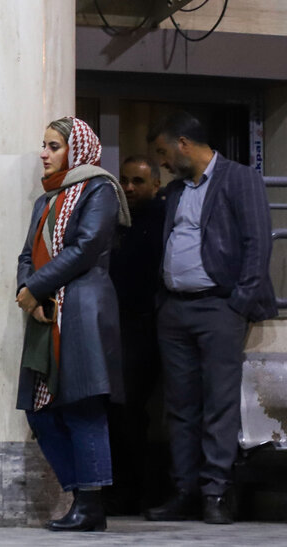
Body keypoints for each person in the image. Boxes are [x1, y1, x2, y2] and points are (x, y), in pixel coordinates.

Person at [145, 111, 276, 525]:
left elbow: (258, 243)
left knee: (219, 404)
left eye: (165, 152)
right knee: (180, 406)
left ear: (184, 144)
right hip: (174, 309)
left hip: (219, 307)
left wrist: (238, 302)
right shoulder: (177, 190)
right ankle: (184, 490)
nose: (162, 162)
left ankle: (215, 493)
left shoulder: (240, 179)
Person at [15, 117, 130, 532]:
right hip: (46, 312)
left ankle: (91, 504)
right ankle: (79, 492)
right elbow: (26, 254)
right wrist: (27, 292)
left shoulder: (100, 189)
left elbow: (85, 248)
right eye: (43, 145)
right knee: (40, 412)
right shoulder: (45, 200)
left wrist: (38, 288)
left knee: (83, 407)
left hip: (82, 308)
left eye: (53, 146)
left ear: (76, 150)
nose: (43, 154)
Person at [105, 156, 165, 515]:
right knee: (114, 409)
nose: (129, 188)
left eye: (138, 182)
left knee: (129, 410)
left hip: (144, 326)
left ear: (155, 185)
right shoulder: (117, 222)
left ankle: (134, 490)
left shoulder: (161, 220)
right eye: (125, 181)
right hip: (116, 325)